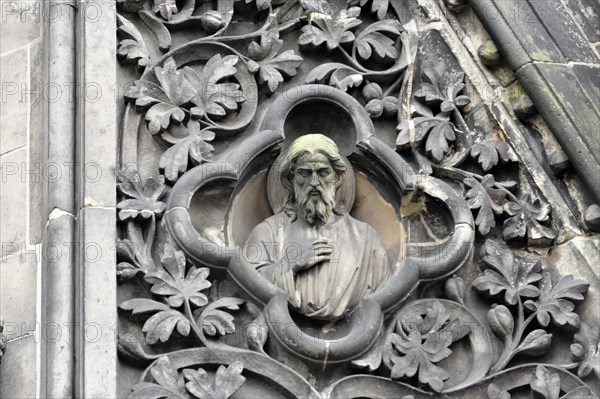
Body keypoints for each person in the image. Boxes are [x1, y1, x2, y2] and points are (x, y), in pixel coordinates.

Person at [242, 134, 392, 320]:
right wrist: (289, 263)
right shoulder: (269, 233)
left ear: (337, 177)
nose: (314, 182)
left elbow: (382, 300)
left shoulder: (367, 241)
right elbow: (248, 287)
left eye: (322, 173)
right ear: (291, 179)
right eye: (305, 173)